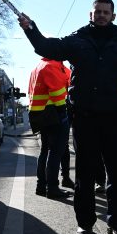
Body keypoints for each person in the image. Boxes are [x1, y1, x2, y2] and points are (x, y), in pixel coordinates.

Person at [18, 0, 117, 234]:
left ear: (113, 16)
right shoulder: (77, 40)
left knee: (116, 174)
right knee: (85, 174)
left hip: (114, 118)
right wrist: (30, 29)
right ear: (90, 14)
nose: (101, 15)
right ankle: (85, 224)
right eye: (97, 12)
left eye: (105, 12)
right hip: (84, 118)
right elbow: (47, 47)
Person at [28, 57, 73, 199]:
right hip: (54, 113)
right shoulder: (51, 66)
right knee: (56, 151)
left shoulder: (38, 67)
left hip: (40, 112)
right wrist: (63, 111)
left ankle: (41, 186)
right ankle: (52, 187)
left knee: (45, 151)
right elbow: (57, 92)